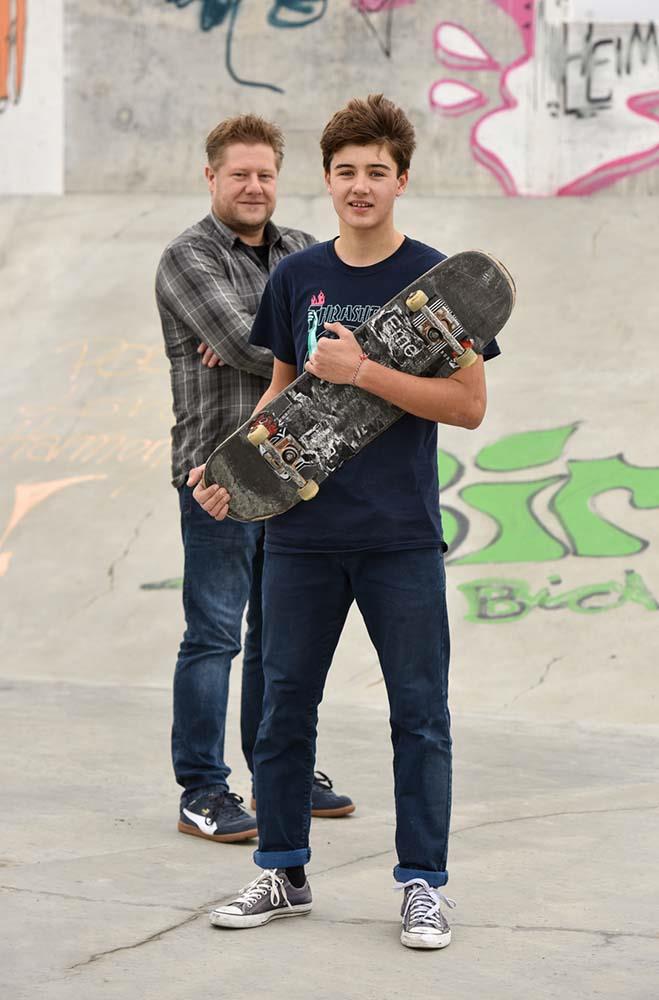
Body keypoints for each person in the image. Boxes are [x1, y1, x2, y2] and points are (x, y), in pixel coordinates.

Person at [197, 94, 502, 949]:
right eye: (344, 172)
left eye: (376, 172)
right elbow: (281, 391)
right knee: (283, 708)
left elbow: (467, 406)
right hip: (300, 532)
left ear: (400, 179)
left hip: (398, 533)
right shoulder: (296, 277)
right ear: (326, 181)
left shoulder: (442, 281)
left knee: (420, 712)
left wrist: (365, 369)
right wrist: (231, 467)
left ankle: (423, 884)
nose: (359, 186)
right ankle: (283, 871)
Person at [155, 114, 355, 846]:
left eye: (264, 173)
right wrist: (288, 340)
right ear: (211, 178)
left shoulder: (302, 248)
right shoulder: (187, 258)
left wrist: (269, 341)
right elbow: (257, 342)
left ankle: (280, 771)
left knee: (279, 637)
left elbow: (333, 336)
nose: (252, 185)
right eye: (238, 174)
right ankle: (201, 791)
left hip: (296, 476)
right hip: (220, 473)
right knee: (213, 635)